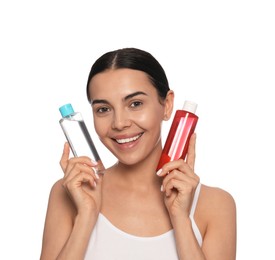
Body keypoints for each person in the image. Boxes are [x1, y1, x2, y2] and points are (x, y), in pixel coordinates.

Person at [40, 47, 236, 260]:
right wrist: (86, 216)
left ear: (167, 105)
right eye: (103, 109)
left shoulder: (215, 205)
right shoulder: (69, 193)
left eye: (135, 104)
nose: (119, 123)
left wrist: (181, 219)